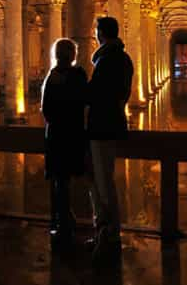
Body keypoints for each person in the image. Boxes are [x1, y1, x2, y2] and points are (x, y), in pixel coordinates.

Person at [86, 16, 134, 262]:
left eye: (96, 30)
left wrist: (77, 88)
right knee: (103, 178)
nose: (94, 34)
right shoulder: (124, 59)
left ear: (102, 33)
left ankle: (111, 231)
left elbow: (95, 93)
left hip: (102, 126)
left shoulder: (106, 60)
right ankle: (105, 228)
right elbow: (122, 93)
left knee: (103, 181)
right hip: (113, 123)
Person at [41, 38, 88, 250]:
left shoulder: (51, 77)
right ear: (73, 55)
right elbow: (84, 102)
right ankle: (67, 222)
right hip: (73, 133)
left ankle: (62, 221)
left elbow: (46, 109)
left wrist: (56, 120)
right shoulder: (78, 75)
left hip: (55, 134)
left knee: (59, 180)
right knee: (70, 180)